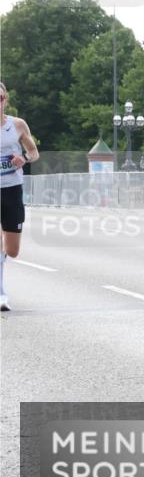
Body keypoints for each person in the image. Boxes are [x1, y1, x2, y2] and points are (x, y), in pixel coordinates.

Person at [0, 82, 41, 312]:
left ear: (5, 100)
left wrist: (23, 158)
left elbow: (34, 152)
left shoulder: (17, 125)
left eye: (0, 98)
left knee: (12, 249)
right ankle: (1, 293)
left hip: (12, 189)